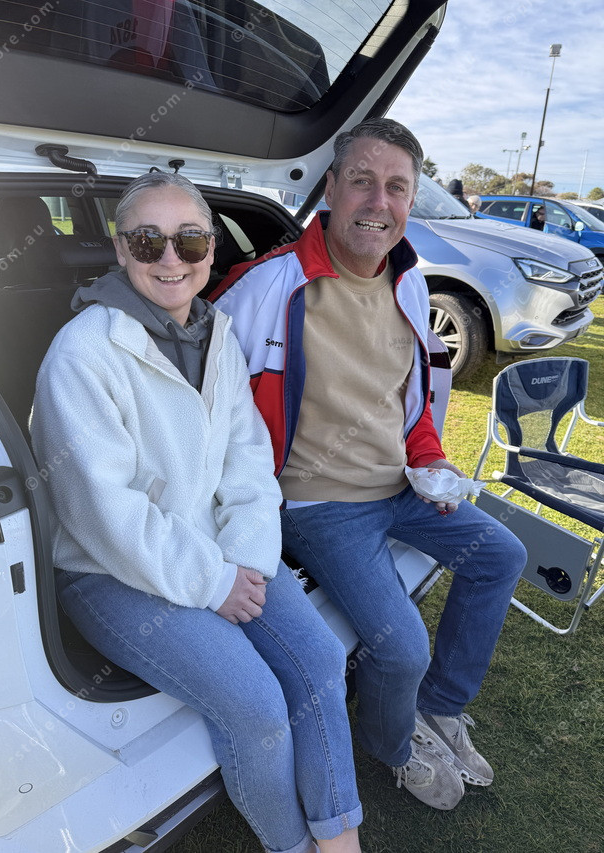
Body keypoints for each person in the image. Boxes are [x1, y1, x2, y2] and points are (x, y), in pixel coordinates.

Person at [29, 172, 363, 853]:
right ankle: (291, 844)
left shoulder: (216, 334)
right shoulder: (83, 352)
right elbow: (104, 514)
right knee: (256, 705)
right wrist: (214, 583)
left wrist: (244, 558)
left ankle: (339, 838)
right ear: (120, 249)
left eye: (188, 240)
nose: (170, 259)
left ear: (211, 248)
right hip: (108, 572)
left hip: (218, 548)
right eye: (147, 242)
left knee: (320, 659)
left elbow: (248, 460)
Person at [211, 118, 527, 811]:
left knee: (501, 555)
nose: (379, 202)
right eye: (362, 181)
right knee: (402, 646)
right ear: (331, 188)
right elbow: (200, 406)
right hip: (319, 505)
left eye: (397, 187)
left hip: (400, 487)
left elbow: (410, 401)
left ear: (412, 199)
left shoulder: (409, 281)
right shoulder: (267, 287)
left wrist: (430, 459)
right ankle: (395, 745)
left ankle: (439, 706)